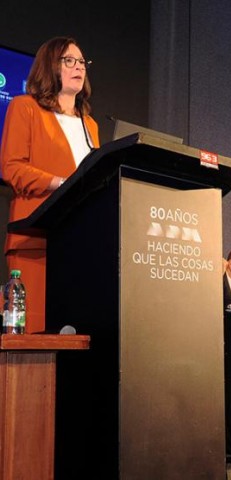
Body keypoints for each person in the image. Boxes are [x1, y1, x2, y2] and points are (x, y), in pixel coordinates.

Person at [0, 36, 99, 333]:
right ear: (49, 66)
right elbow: (12, 167)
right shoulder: (24, 107)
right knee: (35, 336)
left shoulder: (89, 124)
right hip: (37, 240)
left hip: (79, 243)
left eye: (82, 61)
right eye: (69, 60)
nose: (78, 66)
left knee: (75, 334)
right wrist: (60, 183)